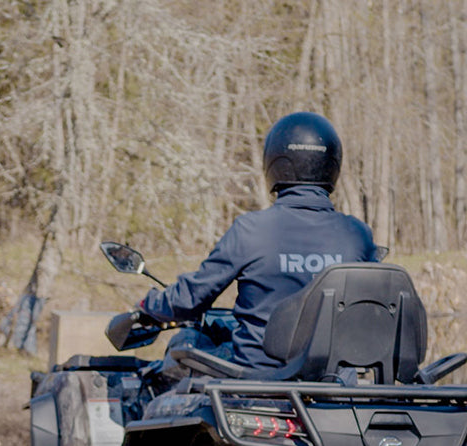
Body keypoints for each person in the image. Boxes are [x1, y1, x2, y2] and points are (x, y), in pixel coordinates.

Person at [125, 111, 379, 374]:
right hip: (335, 384)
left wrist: (149, 305)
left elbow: (190, 299)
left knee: (184, 345)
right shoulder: (358, 237)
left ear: (275, 161)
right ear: (332, 163)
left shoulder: (252, 230)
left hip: (258, 380)